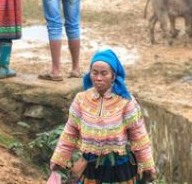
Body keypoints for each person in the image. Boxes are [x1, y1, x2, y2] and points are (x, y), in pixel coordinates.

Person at [49, 49, 156, 184]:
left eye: (104, 73)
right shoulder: (81, 100)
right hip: (89, 166)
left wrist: (147, 165)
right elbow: (70, 132)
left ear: (113, 75)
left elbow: (139, 136)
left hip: (120, 168)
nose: (98, 78)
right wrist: (59, 159)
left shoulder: (126, 102)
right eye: (95, 73)